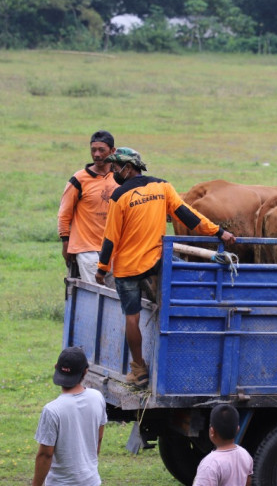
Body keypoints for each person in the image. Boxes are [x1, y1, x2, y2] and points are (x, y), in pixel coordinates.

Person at [95, 148, 236, 387]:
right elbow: (189, 216)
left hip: (127, 268)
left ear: (128, 168)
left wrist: (101, 268)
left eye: (115, 168)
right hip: (157, 261)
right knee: (183, 287)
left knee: (132, 318)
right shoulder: (163, 187)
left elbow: (111, 238)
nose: (112, 172)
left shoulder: (119, 196)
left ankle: (139, 370)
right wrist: (220, 232)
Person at [33, 347, 108, 486]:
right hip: (91, 481)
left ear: (56, 367)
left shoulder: (52, 410)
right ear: (85, 371)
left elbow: (45, 455)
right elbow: (99, 439)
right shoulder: (97, 398)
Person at [58, 131, 116, 285]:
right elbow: (64, 214)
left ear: (113, 151)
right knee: (97, 294)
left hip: (115, 249)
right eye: (93, 150)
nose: (96, 154)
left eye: (101, 150)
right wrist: (66, 243)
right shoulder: (79, 179)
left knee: (115, 297)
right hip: (86, 249)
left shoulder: (120, 178)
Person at [192, 404, 253, 486]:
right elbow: (248, 482)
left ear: (212, 431)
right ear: (237, 429)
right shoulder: (245, 454)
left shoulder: (210, 464)